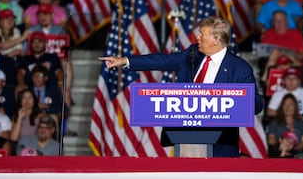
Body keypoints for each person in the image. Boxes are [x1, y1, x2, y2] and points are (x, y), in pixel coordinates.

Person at [99, 16, 263, 157]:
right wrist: (125, 61)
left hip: (220, 146)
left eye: (202, 34)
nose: (197, 37)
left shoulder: (240, 68)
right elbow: (163, 61)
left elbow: (256, 105)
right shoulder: (193, 55)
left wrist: (230, 101)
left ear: (216, 40)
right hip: (187, 140)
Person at [16, 31, 63, 98]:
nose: (37, 44)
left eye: (40, 42)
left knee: (65, 90)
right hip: (30, 89)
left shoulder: (53, 57)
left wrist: (61, 82)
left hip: (50, 88)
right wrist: (22, 84)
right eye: (34, 42)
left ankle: (65, 108)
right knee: (18, 89)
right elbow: (20, 73)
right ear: (30, 44)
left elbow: (59, 72)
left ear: (45, 43)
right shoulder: (25, 59)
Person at [267, 94, 303, 158]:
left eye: (291, 105)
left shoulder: (302, 124)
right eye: (285, 105)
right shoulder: (275, 122)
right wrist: (281, 146)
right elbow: (271, 139)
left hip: (296, 154)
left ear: (295, 107)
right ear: (281, 107)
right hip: (277, 153)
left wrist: (291, 147)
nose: (288, 107)